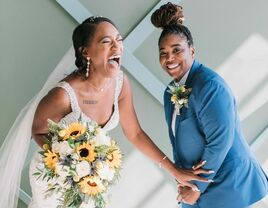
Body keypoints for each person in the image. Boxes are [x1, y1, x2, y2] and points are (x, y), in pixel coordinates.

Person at [0, 16, 212, 208]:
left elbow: (135, 133)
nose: (117, 47)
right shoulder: (63, 95)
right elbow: (37, 131)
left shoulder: (120, 83)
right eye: (106, 42)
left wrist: (174, 171)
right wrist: (71, 160)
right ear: (86, 52)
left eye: (118, 40)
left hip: (92, 178)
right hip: (55, 177)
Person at [151, 2, 268, 208]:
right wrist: (183, 180)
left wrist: (195, 187)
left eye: (176, 50)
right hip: (199, 189)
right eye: (163, 52)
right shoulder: (170, 90)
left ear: (192, 51)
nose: (169, 58)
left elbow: (219, 142)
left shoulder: (209, 85)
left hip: (231, 186)